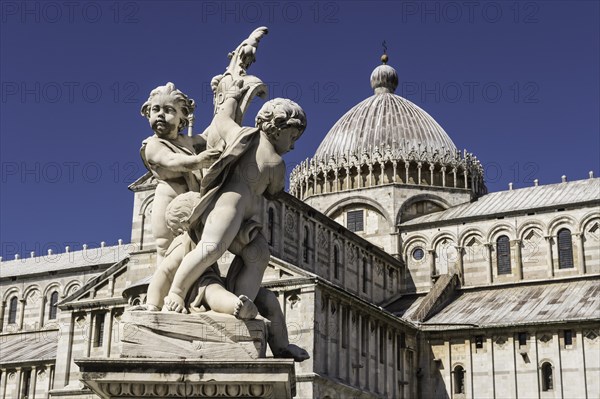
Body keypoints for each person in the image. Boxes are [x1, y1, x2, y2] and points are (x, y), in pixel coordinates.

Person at [162, 89, 306, 315]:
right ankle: (176, 293)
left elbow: (222, 119)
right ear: (278, 129)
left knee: (259, 254)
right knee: (209, 249)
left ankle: (242, 301)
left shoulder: (241, 136)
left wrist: (231, 97)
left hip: (246, 221)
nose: (294, 145)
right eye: (293, 137)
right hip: (227, 208)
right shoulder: (268, 156)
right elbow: (275, 191)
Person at [144, 191, 309, 361]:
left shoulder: (220, 228)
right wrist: (152, 306)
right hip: (200, 287)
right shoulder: (184, 242)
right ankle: (237, 307)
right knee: (214, 292)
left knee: (269, 300)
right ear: (187, 225)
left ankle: (282, 346)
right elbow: (163, 273)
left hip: (221, 282)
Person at [140, 83, 218, 264]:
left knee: (193, 248)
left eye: (168, 110)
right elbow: (171, 161)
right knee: (166, 249)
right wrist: (197, 161)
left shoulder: (186, 141)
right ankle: (164, 287)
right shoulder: (152, 145)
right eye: (155, 109)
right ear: (148, 113)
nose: (160, 114)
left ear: (182, 117)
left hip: (190, 204)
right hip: (167, 201)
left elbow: (210, 136)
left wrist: (223, 102)